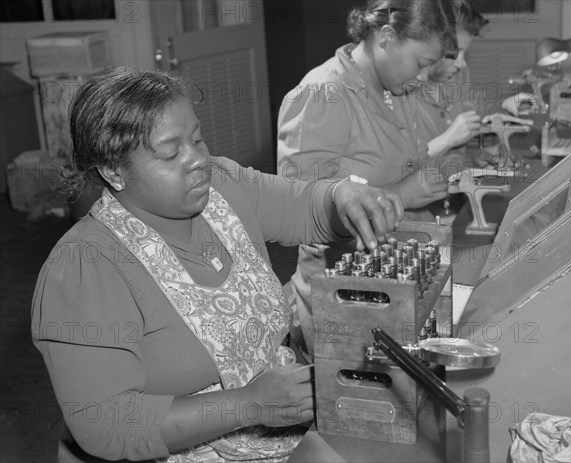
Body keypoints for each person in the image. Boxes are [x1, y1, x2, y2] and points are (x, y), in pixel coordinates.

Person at [31, 67, 403, 462]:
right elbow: (107, 424)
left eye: (197, 139)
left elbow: (304, 206)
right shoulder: (85, 267)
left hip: (276, 431)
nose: (197, 161)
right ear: (114, 171)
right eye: (171, 152)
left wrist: (340, 195)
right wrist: (248, 405)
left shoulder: (222, 187)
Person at [276, 0, 457, 358]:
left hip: (392, 282)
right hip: (342, 298)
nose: (423, 76)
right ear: (386, 37)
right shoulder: (322, 92)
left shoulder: (394, 88)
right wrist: (401, 194)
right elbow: (294, 210)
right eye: (420, 63)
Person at [408, 0, 537, 160]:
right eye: (454, 51)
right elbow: (404, 166)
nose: (462, 63)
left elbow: (474, 109)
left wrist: (505, 105)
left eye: (464, 53)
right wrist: (447, 140)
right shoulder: (400, 90)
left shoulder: (458, 74)